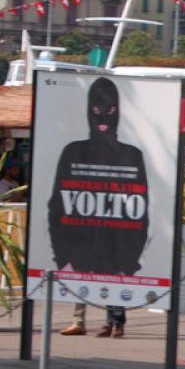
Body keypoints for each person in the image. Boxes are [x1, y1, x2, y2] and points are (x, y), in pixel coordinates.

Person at [50, 77, 148, 339]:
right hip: (82, 234)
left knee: (112, 279)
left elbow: (141, 209)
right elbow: (56, 205)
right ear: (87, 112)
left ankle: (115, 322)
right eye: (96, 110)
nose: (103, 117)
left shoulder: (131, 155)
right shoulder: (74, 152)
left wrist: (130, 258)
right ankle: (79, 320)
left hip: (113, 233)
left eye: (110, 110)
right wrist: (63, 256)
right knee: (81, 276)